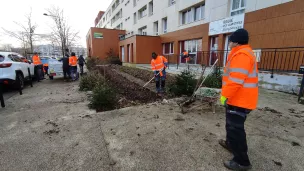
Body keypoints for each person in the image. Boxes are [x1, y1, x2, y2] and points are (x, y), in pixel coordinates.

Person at [219, 28, 258, 170]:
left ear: (235, 42)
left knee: (236, 129)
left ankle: (242, 162)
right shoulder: (240, 53)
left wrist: (224, 95)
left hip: (240, 100)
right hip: (237, 99)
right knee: (231, 126)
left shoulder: (242, 55)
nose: (228, 44)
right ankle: (231, 144)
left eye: (230, 41)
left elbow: (235, 80)